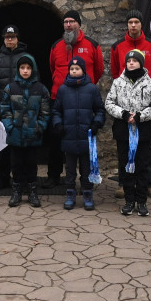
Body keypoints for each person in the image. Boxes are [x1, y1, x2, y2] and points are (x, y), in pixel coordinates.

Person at [109, 11, 151, 201]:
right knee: (124, 147)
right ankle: (123, 184)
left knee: (147, 146)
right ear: (127, 25)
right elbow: (115, 72)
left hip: (145, 108)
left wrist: (146, 101)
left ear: (142, 25)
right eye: (130, 22)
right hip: (124, 108)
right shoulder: (117, 47)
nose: (133, 25)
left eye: (136, 22)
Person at [47, 10, 104, 187]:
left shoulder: (92, 45)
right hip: (60, 99)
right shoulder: (56, 46)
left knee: (86, 142)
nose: (69, 24)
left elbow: (99, 70)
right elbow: (52, 68)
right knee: (56, 139)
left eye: (72, 21)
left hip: (85, 101)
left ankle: (86, 179)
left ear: (79, 24)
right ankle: (54, 176)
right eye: (66, 22)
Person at [105, 50, 151, 217]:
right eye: (128, 60)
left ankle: (142, 201)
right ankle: (129, 201)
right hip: (124, 131)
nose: (131, 63)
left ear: (141, 63)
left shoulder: (150, 83)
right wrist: (123, 114)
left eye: (134, 60)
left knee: (142, 166)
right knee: (126, 166)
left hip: (143, 131)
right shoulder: (118, 82)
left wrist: (140, 116)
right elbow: (109, 102)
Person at [51, 56, 105, 211]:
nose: (74, 72)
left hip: (86, 136)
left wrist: (96, 123)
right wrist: (58, 124)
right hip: (68, 136)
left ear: (83, 70)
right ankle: (70, 193)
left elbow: (99, 109)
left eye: (77, 69)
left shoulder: (92, 89)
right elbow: (56, 110)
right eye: (72, 69)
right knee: (69, 168)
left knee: (86, 168)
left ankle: (87, 193)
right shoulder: (63, 89)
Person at [0, 53, 51, 208]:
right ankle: (17, 191)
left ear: (33, 69)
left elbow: (45, 111)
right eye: (22, 68)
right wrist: (9, 126)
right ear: (18, 69)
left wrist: (39, 127)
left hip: (33, 134)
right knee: (16, 163)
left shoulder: (40, 89)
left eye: (28, 68)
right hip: (15, 134)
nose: (25, 71)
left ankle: (32, 191)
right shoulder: (10, 88)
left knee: (31, 163)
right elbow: (5, 109)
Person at [0, 24, 29, 191]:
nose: (10, 40)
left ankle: (21, 178)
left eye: (13, 37)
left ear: (18, 38)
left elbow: (33, 84)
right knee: (2, 147)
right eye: (7, 37)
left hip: (21, 110)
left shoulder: (26, 57)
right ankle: (1, 177)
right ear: (4, 39)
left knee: (22, 146)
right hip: (2, 110)